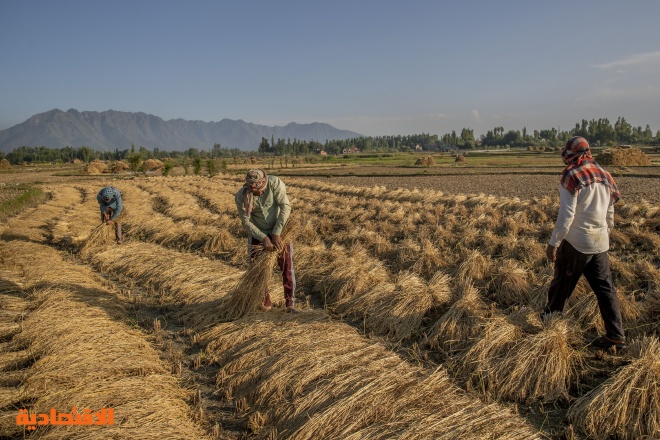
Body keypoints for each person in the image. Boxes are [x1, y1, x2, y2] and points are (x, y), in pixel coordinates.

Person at [542, 136, 625, 350]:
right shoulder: (604, 174)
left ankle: (550, 325)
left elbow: (567, 215)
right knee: (606, 289)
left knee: (561, 286)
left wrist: (554, 242)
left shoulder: (571, 175)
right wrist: (606, 232)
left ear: (571, 153)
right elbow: (610, 210)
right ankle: (616, 334)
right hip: (600, 242)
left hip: (576, 242)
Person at [235, 169, 296, 311]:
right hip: (257, 231)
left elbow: (285, 206)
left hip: (279, 227)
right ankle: (265, 302)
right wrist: (263, 238)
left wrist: (277, 232)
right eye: (256, 193)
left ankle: (290, 303)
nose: (259, 193)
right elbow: (246, 222)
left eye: (261, 190)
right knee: (258, 269)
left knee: (287, 265)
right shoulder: (241, 196)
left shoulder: (275, 183)